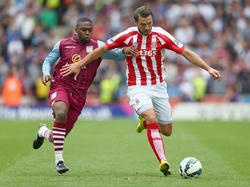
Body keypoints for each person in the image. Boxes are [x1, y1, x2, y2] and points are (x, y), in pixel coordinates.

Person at [61, 6, 221, 176]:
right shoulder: (127, 35)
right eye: (143, 24)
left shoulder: (161, 35)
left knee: (167, 131)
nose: (146, 27)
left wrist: (208, 68)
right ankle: (163, 161)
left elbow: (186, 53)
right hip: (137, 86)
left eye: (149, 23)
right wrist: (79, 63)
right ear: (135, 22)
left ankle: (145, 123)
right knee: (152, 117)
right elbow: (101, 50)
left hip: (159, 86)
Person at [32, 16, 137, 174]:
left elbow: (118, 55)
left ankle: (43, 132)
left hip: (79, 95)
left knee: (57, 137)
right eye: (84, 30)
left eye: (90, 30)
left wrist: (125, 50)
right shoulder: (63, 44)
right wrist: (46, 73)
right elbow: (48, 61)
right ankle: (59, 161)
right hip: (61, 85)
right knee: (61, 112)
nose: (88, 33)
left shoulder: (98, 46)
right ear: (76, 30)